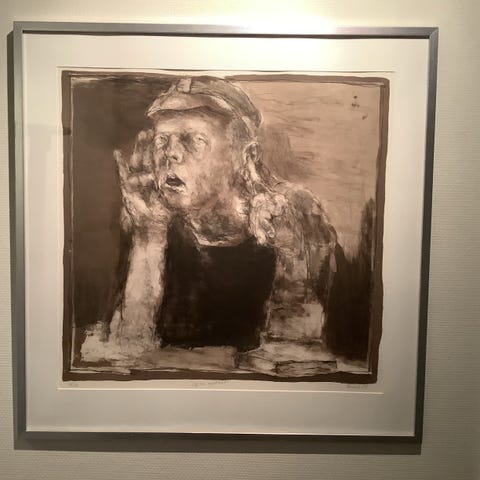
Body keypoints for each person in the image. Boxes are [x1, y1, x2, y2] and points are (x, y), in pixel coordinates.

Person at [87, 76, 338, 360]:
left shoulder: (290, 212)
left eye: (194, 140)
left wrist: (290, 250)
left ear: (246, 156)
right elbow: (128, 349)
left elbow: (294, 355)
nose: (171, 154)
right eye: (161, 141)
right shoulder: (151, 216)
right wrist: (148, 237)